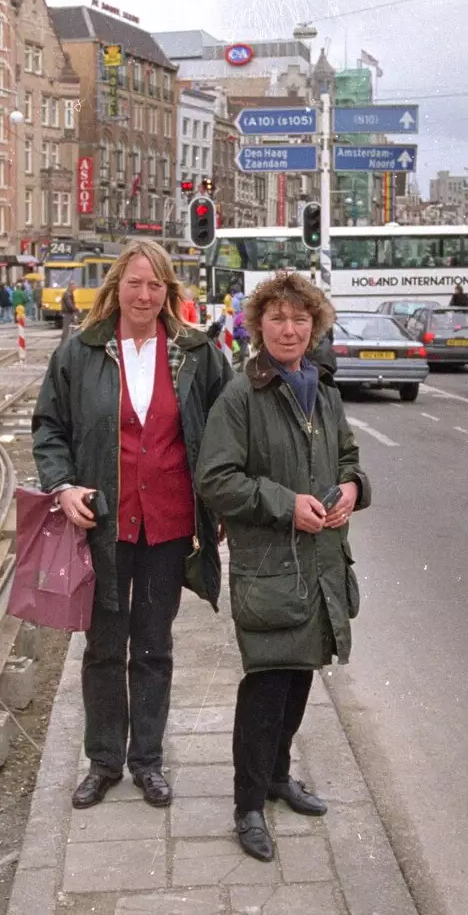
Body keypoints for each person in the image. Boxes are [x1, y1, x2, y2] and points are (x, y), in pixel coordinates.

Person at [32, 238, 232, 813]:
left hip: (169, 526)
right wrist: (63, 485)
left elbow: (224, 431)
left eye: (156, 285)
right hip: (103, 525)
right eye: (135, 283)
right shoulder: (81, 352)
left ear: (169, 292)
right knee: (102, 647)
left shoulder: (196, 353)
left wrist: (217, 504)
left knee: (153, 644)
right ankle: (102, 762)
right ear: (115, 287)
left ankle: (147, 760)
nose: (145, 295)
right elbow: (49, 427)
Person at [195, 271, 369, 863]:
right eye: (278, 319)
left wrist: (351, 487)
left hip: (319, 564)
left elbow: (348, 456)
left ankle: (276, 778)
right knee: (267, 684)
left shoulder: (322, 390)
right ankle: (247, 804)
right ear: (258, 326)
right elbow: (216, 479)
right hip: (271, 566)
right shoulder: (241, 395)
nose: (290, 329)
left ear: (314, 325)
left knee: (298, 679)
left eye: (300, 319)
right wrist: (284, 503)